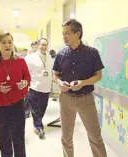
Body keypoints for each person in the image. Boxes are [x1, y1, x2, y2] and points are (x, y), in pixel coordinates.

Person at [53, 19, 107, 157]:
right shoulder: (61, 54)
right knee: (66, 138)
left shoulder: (92, 53)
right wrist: (59, 83)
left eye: (67, 33)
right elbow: (56, 75)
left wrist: (83, 82)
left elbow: (98, 76)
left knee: (95, 137)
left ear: (78, 33)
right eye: (63, 33)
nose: (64, 36)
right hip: (66, 99)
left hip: (86, 100)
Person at [0, 31, 31, 157]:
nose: (7, 45)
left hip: (17, 104)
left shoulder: (20, 61)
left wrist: (25, 83)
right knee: (3, 138)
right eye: (3, 42)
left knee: (19, 137)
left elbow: (27, 76)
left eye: (9, 42)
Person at [26, 38, 52, 139]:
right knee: (36, 109)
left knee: (43, 108)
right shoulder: (30, 58)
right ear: (38, 45)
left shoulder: (49, 57)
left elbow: (51, 72)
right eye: (42, 45)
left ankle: (38, 122)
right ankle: (39, 126)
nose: (44, 47)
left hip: (46, 88)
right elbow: (26, 73)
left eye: (45, 45)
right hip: (35, 87)